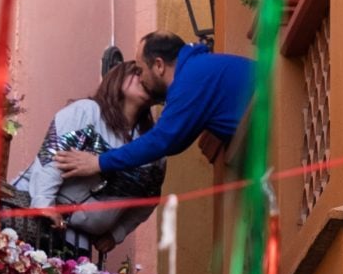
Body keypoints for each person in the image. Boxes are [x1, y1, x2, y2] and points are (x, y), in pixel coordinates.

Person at [13, 61, 166, 254]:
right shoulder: (87, 112)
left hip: (77, 241)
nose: (144, 77)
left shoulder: (152, 146)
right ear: (117, 79)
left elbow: (149, 199)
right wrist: (44, 203)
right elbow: (52, 155)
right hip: (33, 219)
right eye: (137, 72)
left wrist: (116, 233)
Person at [53, 31, 254, 178]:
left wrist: (98, 162)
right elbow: (176, 141)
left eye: (140, 70)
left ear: (158, 65)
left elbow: (163, 141)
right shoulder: (199, 68)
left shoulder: (190, 80)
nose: (141, 79)